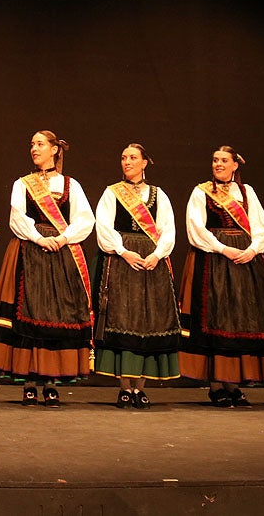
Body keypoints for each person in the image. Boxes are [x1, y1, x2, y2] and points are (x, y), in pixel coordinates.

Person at [0, 130, 95, 408]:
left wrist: (62, 238)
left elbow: (84, 218)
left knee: (56, 314)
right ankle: (29, 382)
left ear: (55, 150)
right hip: (30, 251)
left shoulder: (71, 185)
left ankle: (52, 381)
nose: (34, 149)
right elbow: (17, 217)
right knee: (28, 313)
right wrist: (39, 238)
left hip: (61, 253)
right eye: (32, 144)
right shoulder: (23, 184)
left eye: (40, 144)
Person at [178, 145, 264, 408]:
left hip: (244, 262)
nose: (218, 164)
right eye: (214, 160)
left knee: (239, 318)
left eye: (223, 160)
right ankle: (217, 385)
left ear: (235, 165)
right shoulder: (201, 191)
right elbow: (195, 227)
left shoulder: (247, 192)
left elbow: (261, 226)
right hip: (213, 260)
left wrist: (252, 250)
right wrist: (223, 248)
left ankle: (234, 384)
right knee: (215, 317)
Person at [92, 143, 181, 409]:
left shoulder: (158, 195)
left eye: (133, 158)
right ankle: (124, 388)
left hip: (152, 262)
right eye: (123, 158)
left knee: (148, 319)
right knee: (124, 316)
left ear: (145, 163)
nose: (127, 162)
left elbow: (168, 229)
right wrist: (123, 252)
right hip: (123, 262)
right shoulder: (112, 193)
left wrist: (157, 255)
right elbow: (104, 228)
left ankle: (140, 387)